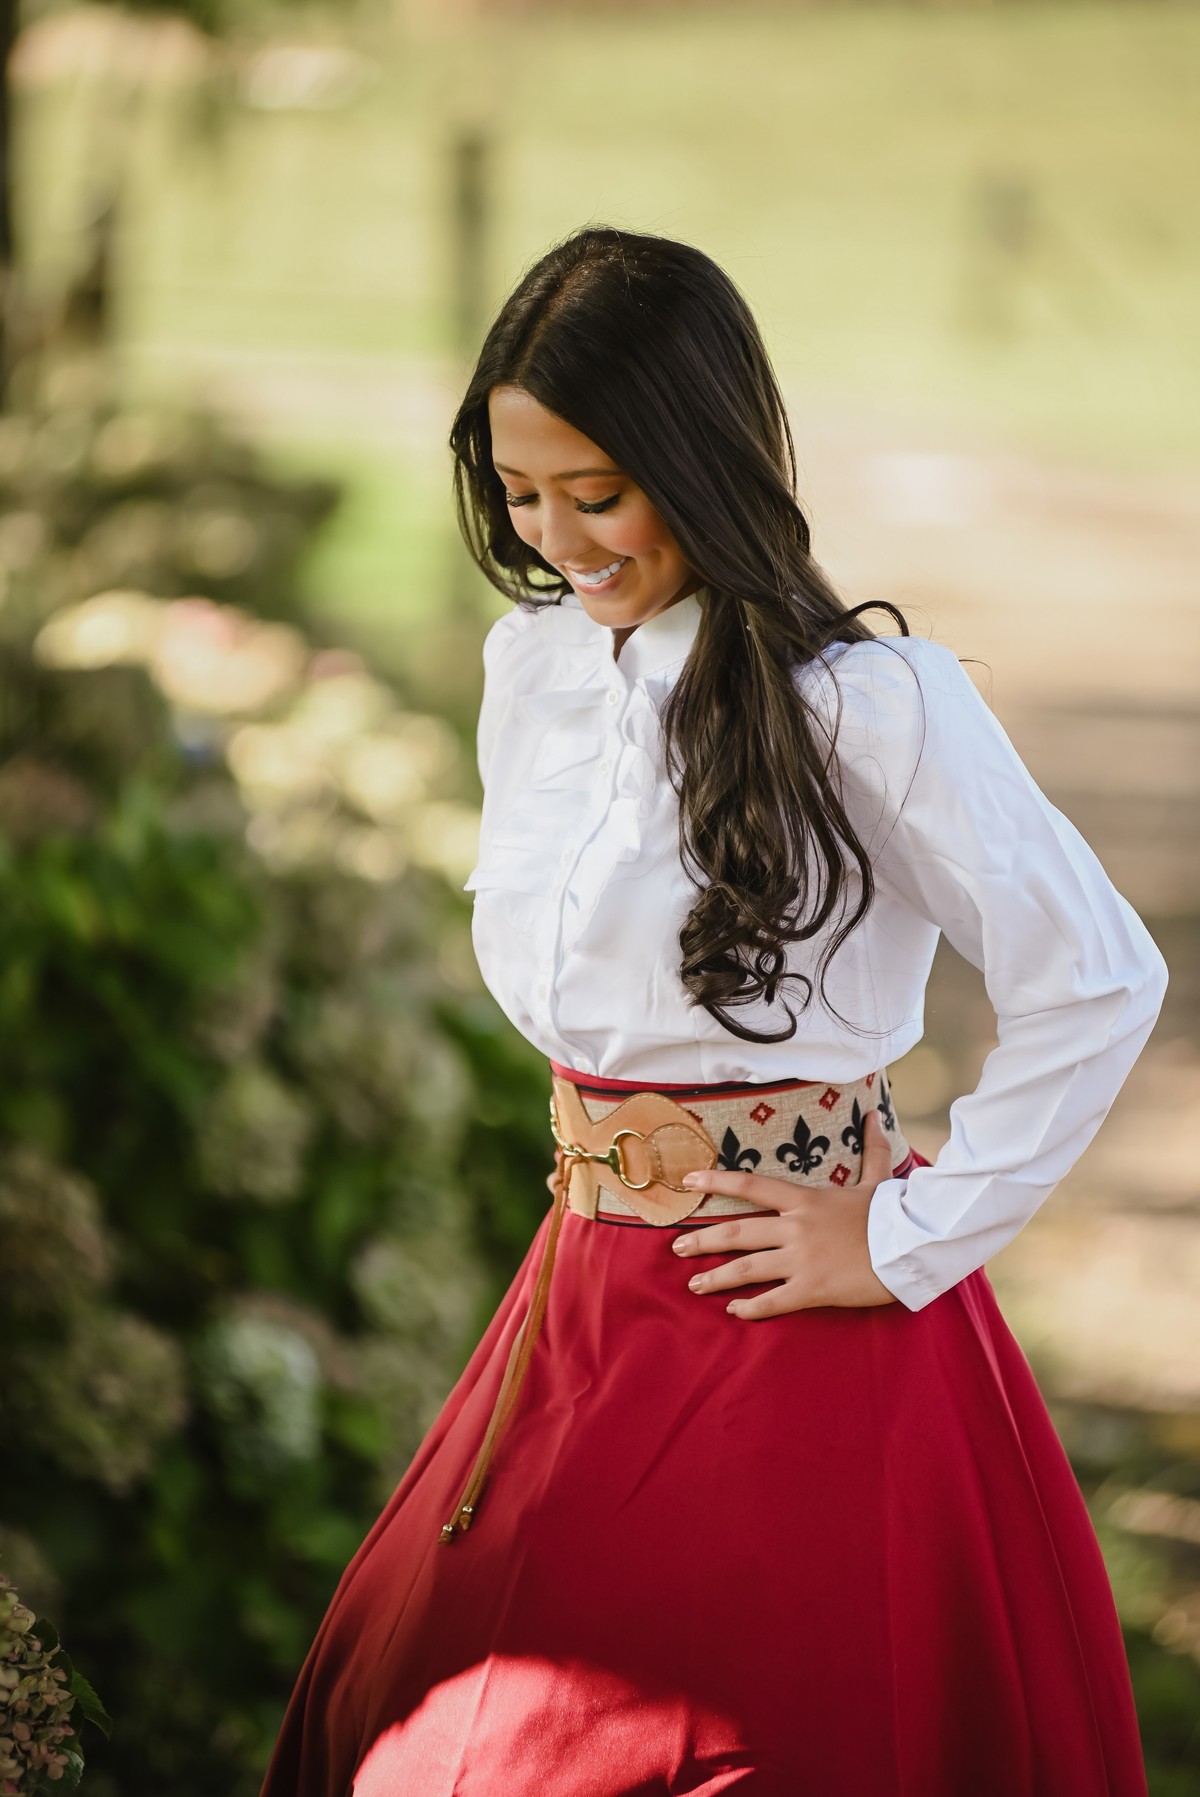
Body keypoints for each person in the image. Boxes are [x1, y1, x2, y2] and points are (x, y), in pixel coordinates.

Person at [260, 227, 1167, 1797]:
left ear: (698, 459)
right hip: (577, 1298)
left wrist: (905, 1234)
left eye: (597, 492)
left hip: (795, 1314)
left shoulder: (873, 705)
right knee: (425, 1717)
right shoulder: (535, 671)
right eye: (519, 493)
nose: (556, 538)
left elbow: (1096, 978)